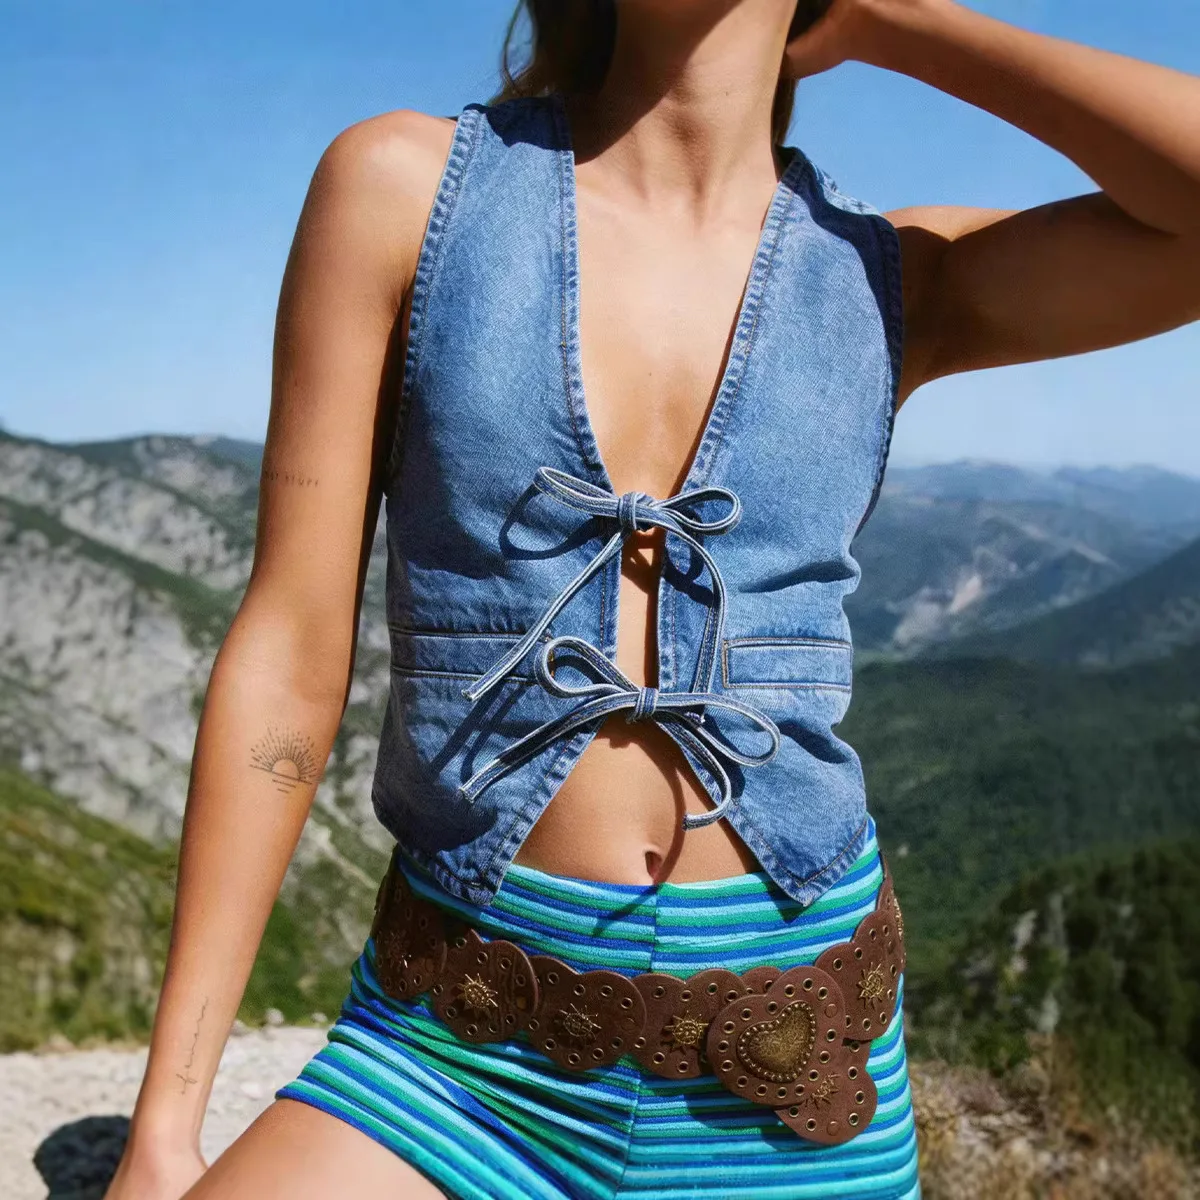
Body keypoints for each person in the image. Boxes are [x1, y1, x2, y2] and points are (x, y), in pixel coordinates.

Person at [105, 1, 1200, 1197]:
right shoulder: (405, 190)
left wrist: (891, 21)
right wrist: (166, 1126)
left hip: (794, 1073)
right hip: (452, 1063)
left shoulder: (891, 271)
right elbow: (290, 651)